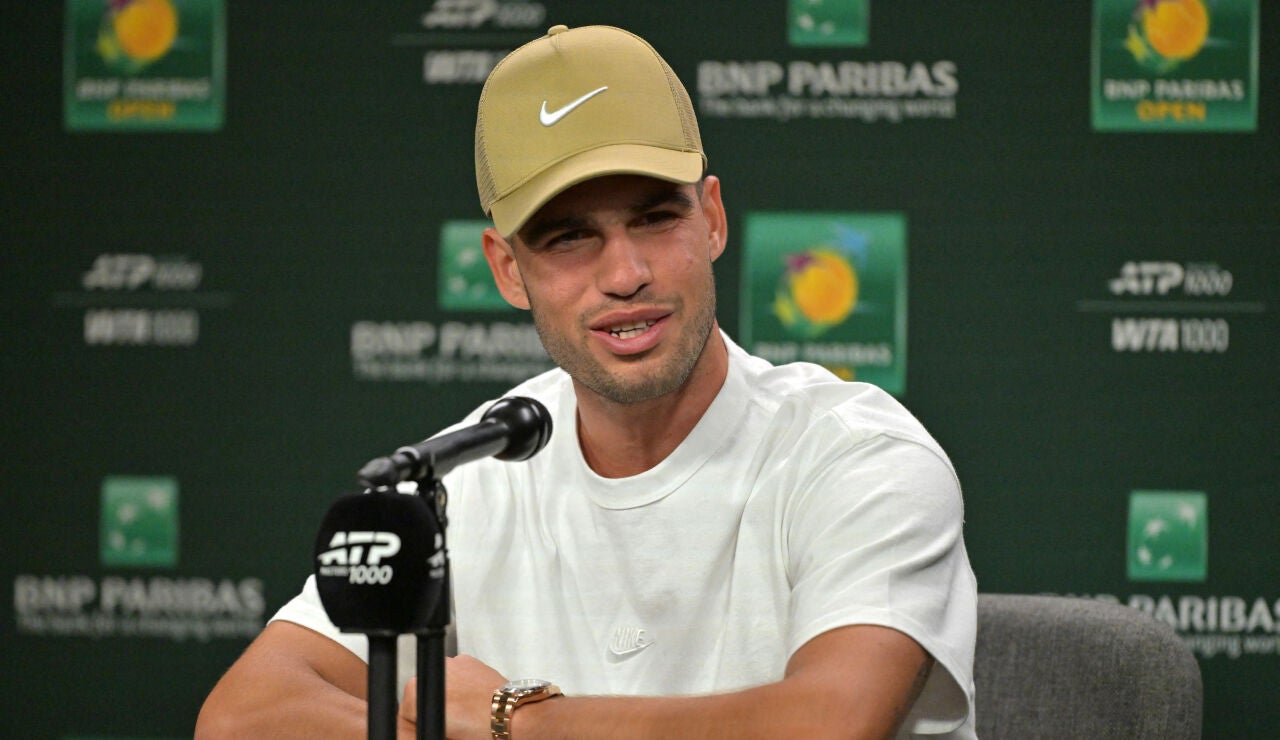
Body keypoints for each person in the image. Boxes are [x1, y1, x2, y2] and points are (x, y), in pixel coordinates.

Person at [197, 24, 977, 739]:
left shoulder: (858, 456)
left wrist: (521, 724)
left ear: (711, 218)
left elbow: (828, 725)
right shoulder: (469, 476)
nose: (625, 274)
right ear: (506, 268)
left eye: (654, 219)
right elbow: (242, 717)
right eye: (570, 237)